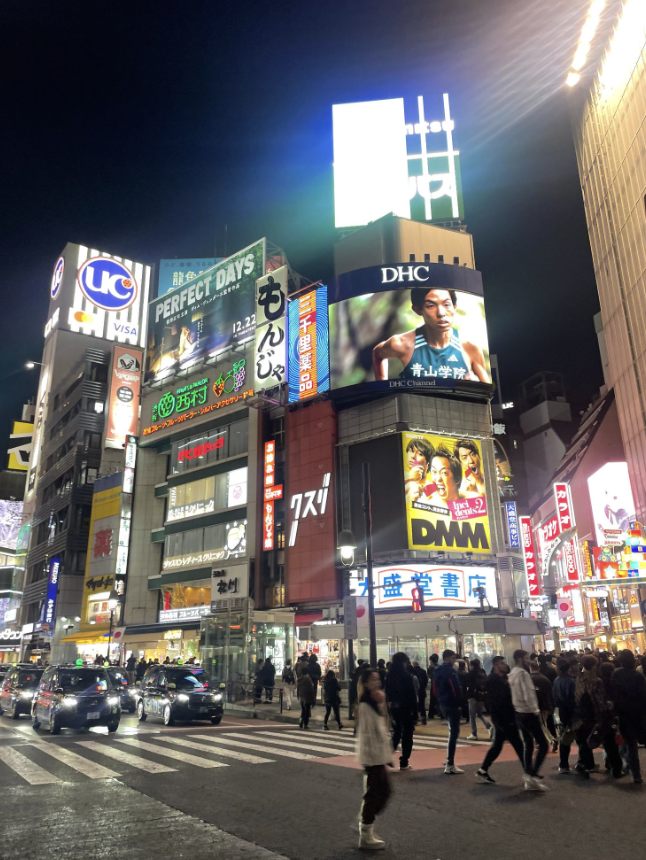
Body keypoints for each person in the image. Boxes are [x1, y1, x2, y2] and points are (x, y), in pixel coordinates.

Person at [372, 288, 489, 383]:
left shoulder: (469, 348)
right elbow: (378, 352)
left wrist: (475, 383)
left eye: (447, 304)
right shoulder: (401, 343)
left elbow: (489, 391)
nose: (441, 313)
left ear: (454, 307)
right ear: (418, 310)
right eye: (431, 306)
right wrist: (382, 385)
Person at [354, 667, 393, 850]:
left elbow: (384, 725)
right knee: (377, 793)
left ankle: (365, 824)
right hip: (372, 755)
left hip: (378, 755)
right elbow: (369, 734)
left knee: (382, 792)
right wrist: (378, 756)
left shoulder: (375, 701)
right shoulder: (364, 704)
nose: (377, 682)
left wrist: (382, 704)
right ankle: (365, 831)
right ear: (365, 683)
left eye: (378, 679)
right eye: (373, 680)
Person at [476, 656, 526, 784]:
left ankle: (483, 769)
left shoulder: (501, 679)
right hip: (504, 717)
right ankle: (529, 772)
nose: (505, 665)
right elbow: (498, 700)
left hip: (503, 717)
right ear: (495, 665)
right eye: (502, 663)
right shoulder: (494, 680)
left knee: (498, 745)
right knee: (518, 745)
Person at [575, 655, 623, 779]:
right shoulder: (596, 681)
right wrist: (610, 705)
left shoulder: (579, 678)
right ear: (594, 666)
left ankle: (583, 765)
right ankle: (616, 769)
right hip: (599, 717)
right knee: (610, 743)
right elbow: (601, 702)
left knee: (586, 742)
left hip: (584, 715)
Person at [508, 649, 548, 791]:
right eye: (526, 658)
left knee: (528, 744)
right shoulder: (523, 674)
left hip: (518, 712)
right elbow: (528, 695)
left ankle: (528, 773)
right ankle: (533, 774)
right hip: (528, 712)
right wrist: (536, 711)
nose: (529, 660)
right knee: (543, 744)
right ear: (520, 659)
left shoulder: (512, 674)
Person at [612, 649, 646, 783]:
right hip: (636, 713)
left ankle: (630, 769)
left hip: (622, 714)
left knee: (626, 743)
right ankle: (635, 773)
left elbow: (614, 694)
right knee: (632, 745)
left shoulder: (616, 674)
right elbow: (643, 697)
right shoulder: (638, 676)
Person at [385, 652, 418, 772]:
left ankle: (387, 755)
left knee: (397, 732)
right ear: (404, 662)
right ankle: (404, 761)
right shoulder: (406, 676)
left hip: (393, 708)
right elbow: (412, 696)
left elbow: (387, 692)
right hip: (406, 708)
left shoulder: (389, 675)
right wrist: (415, 713)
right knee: (407, 735)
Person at [434, 649, 464, 775]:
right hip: (451, 703)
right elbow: (455, 687)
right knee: (454, 732)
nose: (454, 660)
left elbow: (435, 687)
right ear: (448, 657)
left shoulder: (437, 670)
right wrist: (459, 703)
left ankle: (449, 760)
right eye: (453, 657)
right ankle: (450, 763)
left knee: (452, 730)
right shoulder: (450, 671)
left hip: (443, 702)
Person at [552, 658, 577, 774]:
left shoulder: (557, 680)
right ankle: (581, 762)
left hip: (561, 712)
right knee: (577, 737)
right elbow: (572, 699)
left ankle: (563, 763)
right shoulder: (571, 681)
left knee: (564, 739)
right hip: (570, 712)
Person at [529, 660, 557, 753]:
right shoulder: (545, 679)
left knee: (540, 725)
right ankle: (539, 741)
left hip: (537, 706)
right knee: (541, 724)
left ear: (530, 668)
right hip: (546, 706)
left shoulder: (530, 679)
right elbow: (550, 694)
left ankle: (551, 740)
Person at [466, 658, 493, 740]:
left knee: (472, 716)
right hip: (481, 696)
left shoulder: (471, 674)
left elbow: (467, 685)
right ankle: (489, 726)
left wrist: (466, 696)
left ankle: (474, 733)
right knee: (480, 713)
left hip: (472, 696)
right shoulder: (483, 672)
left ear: (472, 666)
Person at [403, 436, 435, 503]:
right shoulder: (402, 476)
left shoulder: (432, 490)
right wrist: (409, 478)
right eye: (411, 451)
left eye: (420, 454)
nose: (413, 456)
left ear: (428, 462)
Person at [411, 660, 428, 725]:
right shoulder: (423, 671)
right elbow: (426, 681)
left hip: (414, 692)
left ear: (413, 664)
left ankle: (415, 719)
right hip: (422, 691)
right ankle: (424, 718)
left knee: (414, 705)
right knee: (422, 705)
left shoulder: (413, 671)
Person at [427, 654, 439, 719]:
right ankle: (441, 713)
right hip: (439, 685)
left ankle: (431, 714)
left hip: (433, 685)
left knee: (432, 700)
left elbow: (430, 676)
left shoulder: (431, 668)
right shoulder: (440, 667)